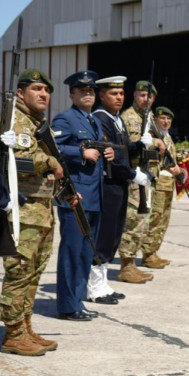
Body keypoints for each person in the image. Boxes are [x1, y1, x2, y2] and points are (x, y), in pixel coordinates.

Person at [0, 69, 65, 354]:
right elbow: (21, 162)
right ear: (22, 93)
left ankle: (25, 325)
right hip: (24, 211)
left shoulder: (37, 122)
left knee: (34, 272)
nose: (43, 94)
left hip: (42, 209)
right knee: (19, 270)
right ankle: (13, 334)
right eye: (37, 89)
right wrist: (49, 161)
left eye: (46, 90)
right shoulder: (14, 119)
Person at [88, 76, 151, 302]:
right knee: (104, 235)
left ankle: (102, 284)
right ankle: (94, 288)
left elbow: (122, 150)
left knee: (114, 234)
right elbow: (109, 156)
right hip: (108, 184)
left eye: (121, 94)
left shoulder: (116, 119)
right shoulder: (101, 118)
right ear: (102, 95)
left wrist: (138, 145)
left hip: (119, 185)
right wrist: (133, 174)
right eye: (113, 94)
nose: (119, 98)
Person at [53, 70, 107, 321]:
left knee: (86, 252)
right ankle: (67, 305)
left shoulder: (93, 121)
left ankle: (78, 301)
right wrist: (79, 153)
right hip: (75, 196)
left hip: (94, 195)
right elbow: (52, 148)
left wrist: (108, 154)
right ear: (72, 94)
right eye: (82, 91)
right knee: (72, 251)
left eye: (91, 91)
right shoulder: (65, 119)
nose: (87, 94)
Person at [119, 81, 166, 282]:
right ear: (135, 96)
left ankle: (133, 262)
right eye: (141, 95)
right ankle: (126, 266)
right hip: (135, 176)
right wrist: (156, 143)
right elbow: (130, 144)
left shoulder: (148, 119)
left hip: (148, 176)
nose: (146, 99)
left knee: (143, 221)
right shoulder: (130, 118)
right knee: (133, 221)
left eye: (149, 96)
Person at [140, 106, 182, 269]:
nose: (166, 122)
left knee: (163, 220)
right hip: (158, 183)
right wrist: (169, 167)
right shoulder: (152, 137)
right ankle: (147, 254)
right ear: (155, 120)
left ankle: (153, 251)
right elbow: (151, 158)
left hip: (168, 184)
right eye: (162, 118)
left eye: (169, 119)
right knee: (155, 218)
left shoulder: (167, 137)